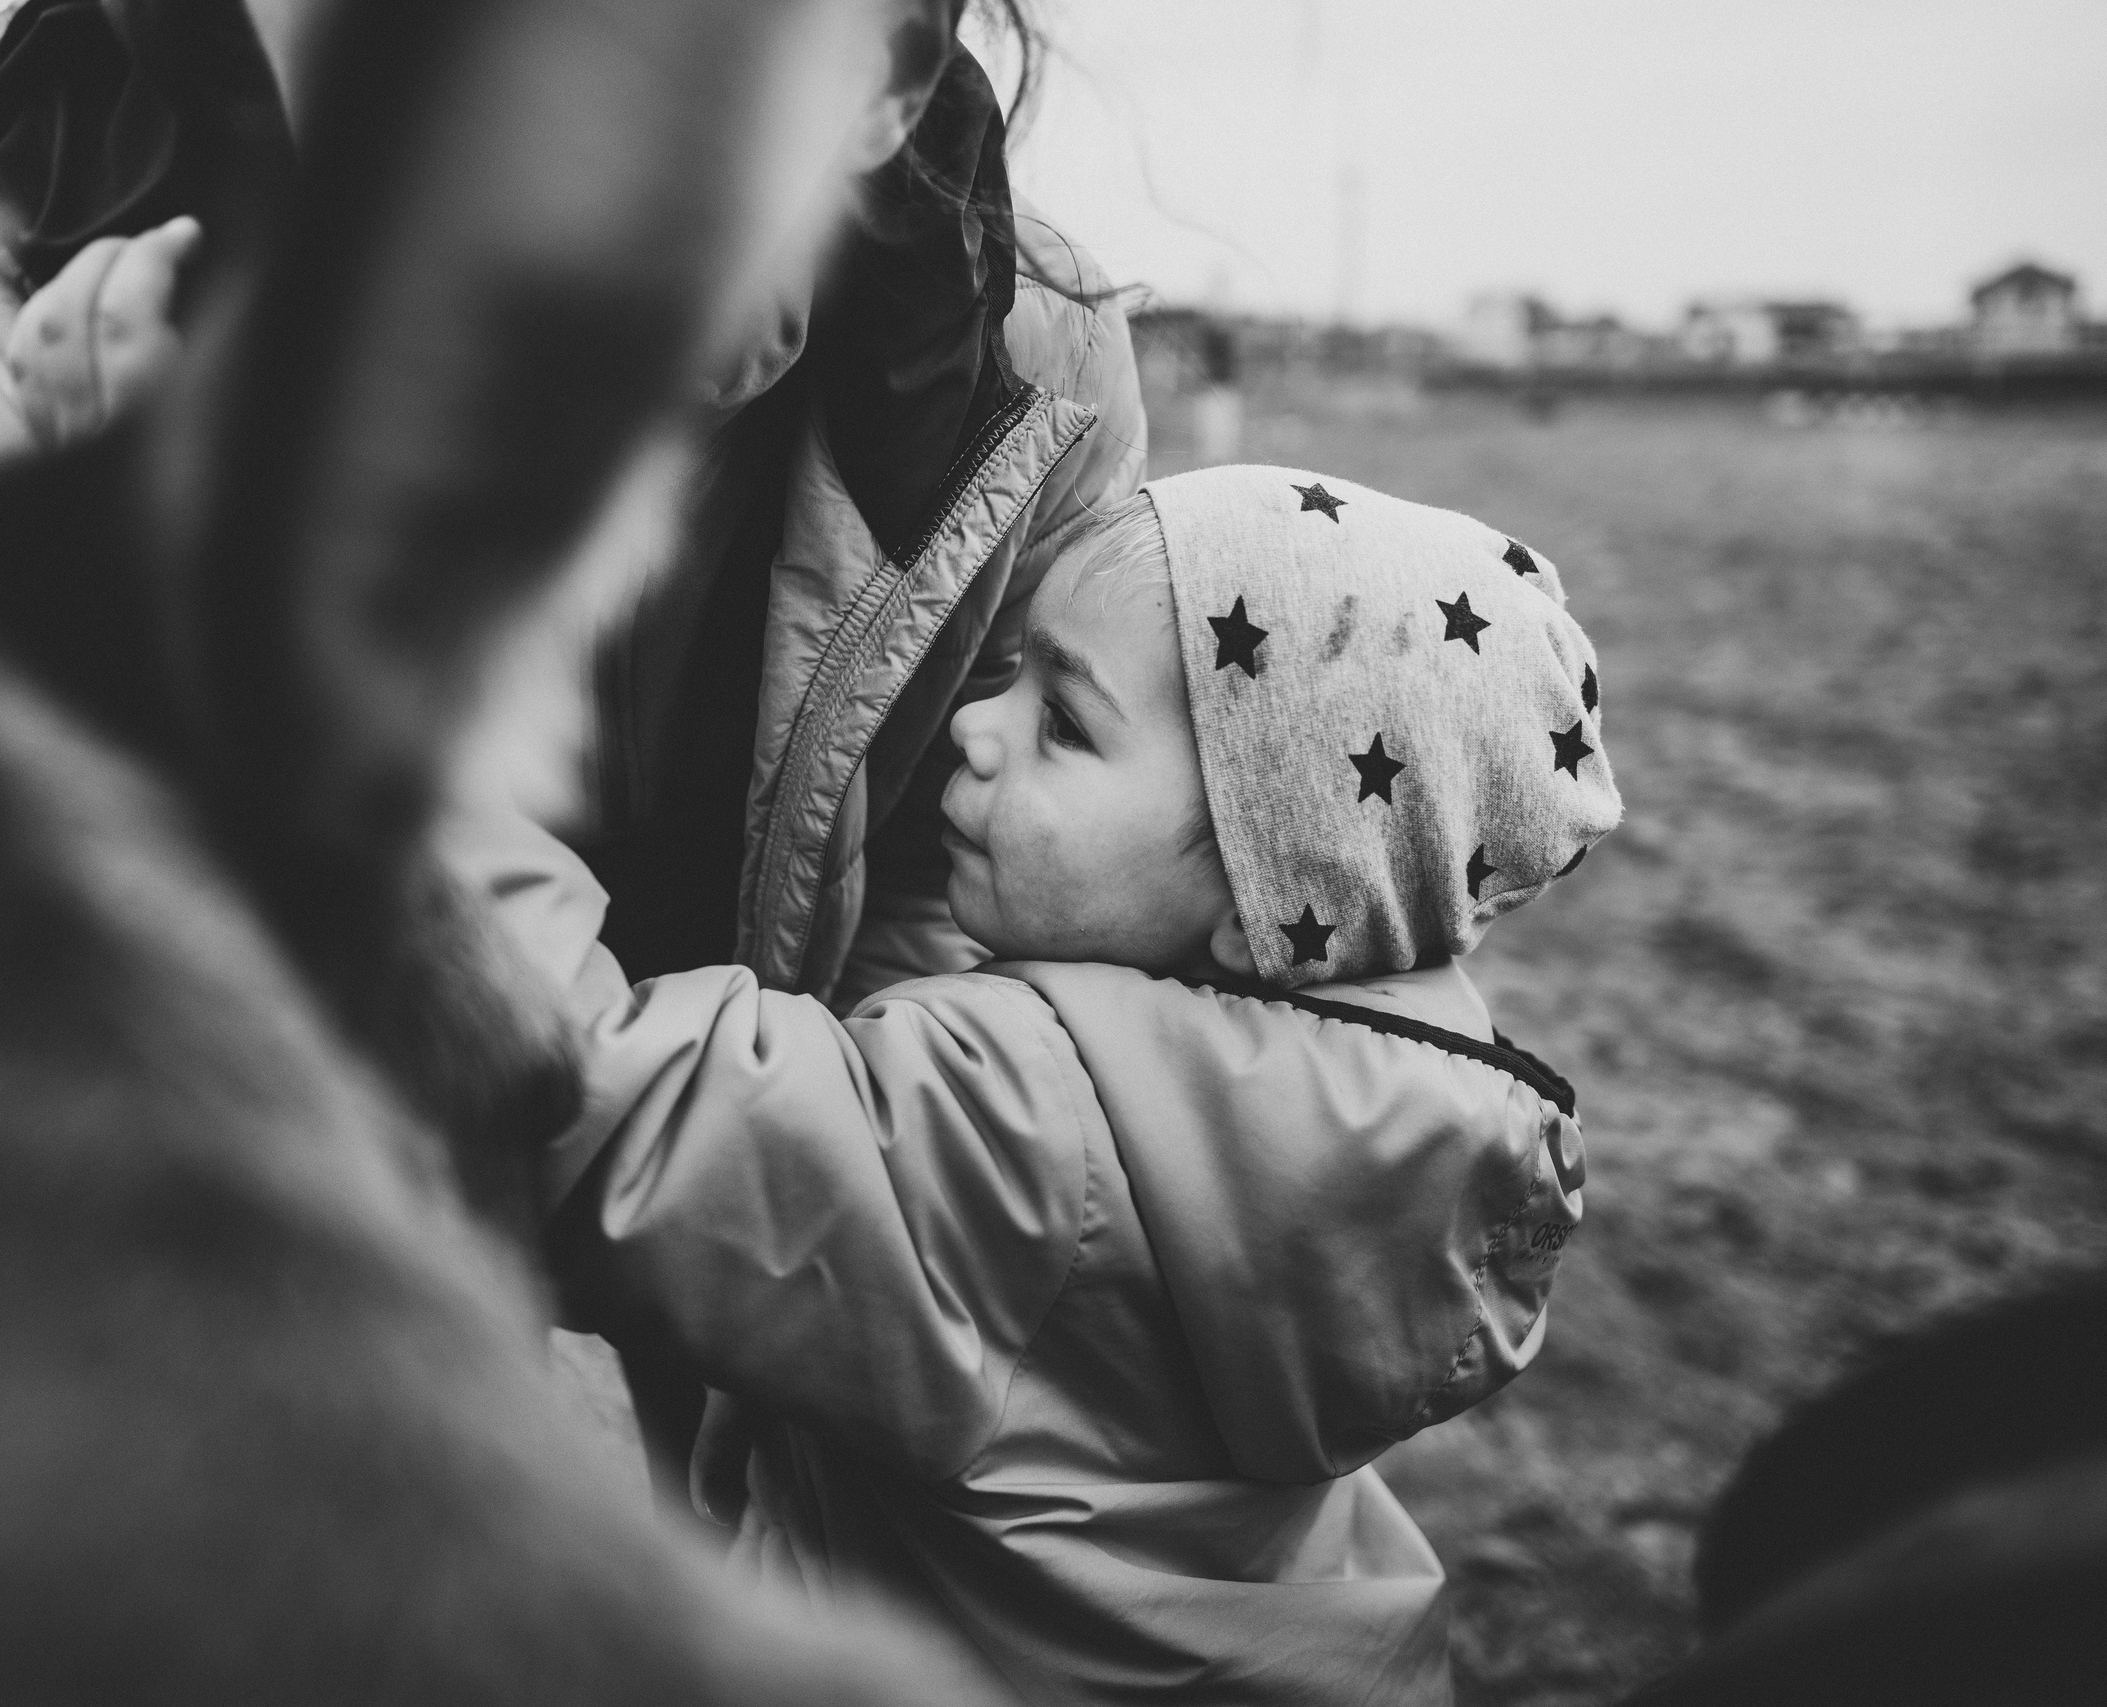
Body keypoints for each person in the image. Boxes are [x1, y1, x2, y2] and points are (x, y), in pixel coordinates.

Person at [0, 0, 1150, 1496]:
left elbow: (955, 929)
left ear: (880, 73)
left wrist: (801, 1336)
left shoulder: (1027, 352)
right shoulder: (100, 265)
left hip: (772, 1138)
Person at [502, 467, 1620, 1702]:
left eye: (1065, 722)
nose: (978, 724)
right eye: (1015, 668)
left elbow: (604, 1111)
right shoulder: (1394, 1100)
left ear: (1270, 901)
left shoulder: (1029, 1128)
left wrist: (396, 800)